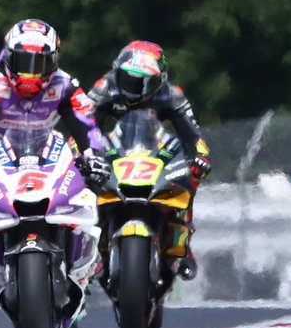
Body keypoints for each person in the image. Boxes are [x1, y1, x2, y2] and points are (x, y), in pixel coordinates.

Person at [0, 19, 109, 293]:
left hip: (46, 144)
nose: (31, 74)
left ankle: (85, 252)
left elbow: (87, 127)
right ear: (9, 57)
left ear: (54, 61)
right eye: (24, 63)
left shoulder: (65, 83)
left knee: (90, 174)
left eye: (40, 64)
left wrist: (94, 156)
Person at [88, 40, 212, 279]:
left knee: (191, 175)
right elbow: (84, 125)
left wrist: (201, 156)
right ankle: (84, 240)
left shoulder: (173, 95)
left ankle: (183, 242)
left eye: (144, 82)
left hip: (154, 150)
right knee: (84, 173)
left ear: (160, 80)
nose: (134, 88)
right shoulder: (104, 87)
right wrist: (79, 151)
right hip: (117, 149)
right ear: (116, 72)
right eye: (127, 78)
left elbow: (193, 135)